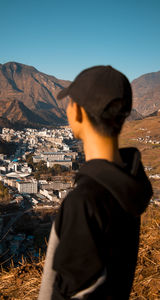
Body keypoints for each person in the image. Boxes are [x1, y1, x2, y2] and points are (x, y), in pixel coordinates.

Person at [38, 66, 153, 300]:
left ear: (78, 113)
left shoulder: (84, 201)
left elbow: (71, 292)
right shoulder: (127, 185)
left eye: (70, 103)